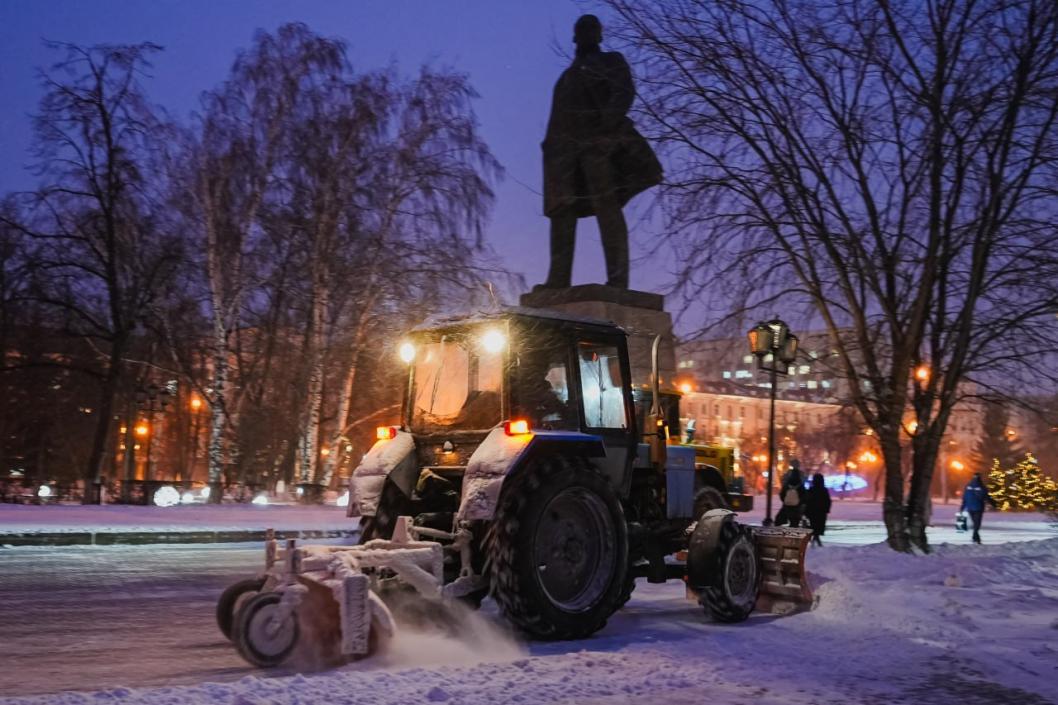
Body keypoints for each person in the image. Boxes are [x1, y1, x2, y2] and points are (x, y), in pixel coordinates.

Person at [539, 14, 662, 290]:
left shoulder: (610, 62)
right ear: (575, 37)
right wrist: (552, 153)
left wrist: (606, 129)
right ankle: (558, 279)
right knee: (562, 214)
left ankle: (618, 280)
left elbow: (623, 93)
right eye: (582, 29)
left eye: (592, 29)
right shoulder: (566, 78)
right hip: (565, 157)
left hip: (597, 148)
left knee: (607, 209)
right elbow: (555, 120)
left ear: (600, 35)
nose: (587, 34)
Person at [959, 473, 998, 544]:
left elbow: (965, 498)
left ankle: (976, 538)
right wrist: (994, 504)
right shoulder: (981, 487)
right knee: (977, 524)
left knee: (975, 524)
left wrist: (962, 508)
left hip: (970, 508)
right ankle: (975, 537)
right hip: (978, 508)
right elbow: (987, 497)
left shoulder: (968, 486)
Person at [774, 459, 805, 527]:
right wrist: (799, 502)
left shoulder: (787, 484)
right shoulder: (800, 484)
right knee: (795, 522)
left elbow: (782, 494)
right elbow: (804, 495)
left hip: (787, 505)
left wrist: (786, 500)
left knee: (779, 519)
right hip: (797, 507)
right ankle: (793, 535)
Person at [804, 473, 832, 546]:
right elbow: (827, 501)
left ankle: (815, 541)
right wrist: (827, 509)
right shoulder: (824, 490)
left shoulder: (811, 489)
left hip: (812, 511)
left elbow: (807, 500)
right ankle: (817, 542)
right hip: (821, 512)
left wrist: (806, 511)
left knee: (814, 526)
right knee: (818, 527)